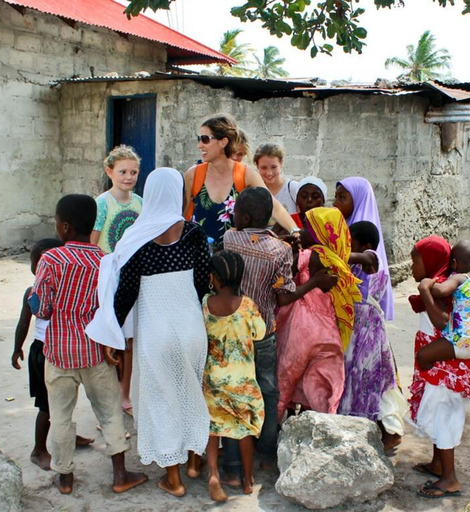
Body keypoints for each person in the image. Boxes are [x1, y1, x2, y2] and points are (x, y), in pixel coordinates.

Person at [86, 168, 211, 498]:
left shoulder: (136, 238)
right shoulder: (194, 234)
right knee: (191, 392)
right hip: (192, 331)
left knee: (162, 401)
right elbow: (202, 284)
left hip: (156, 334)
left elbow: (123, 295)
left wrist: (112, 338)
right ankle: (195, 462)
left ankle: (174, 479)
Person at [31, 194, 146, 495]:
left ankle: (65, 477)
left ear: (65, 227)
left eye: (56, 222)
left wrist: (35, 302)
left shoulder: (51, 259)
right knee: (109, 412)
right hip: (96, 350)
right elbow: (112, 307)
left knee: (62, 416)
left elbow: (42, 309)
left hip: (58, 352)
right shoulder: (104, 261)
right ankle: (120, 475)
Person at [222, 187, 337, 480]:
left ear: (244, 216)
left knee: (232, 391)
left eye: (236, 212)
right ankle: (264, 454)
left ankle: (232, 462)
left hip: (231, 331)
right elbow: (284, 297)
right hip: (262, 332)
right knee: (268, 391)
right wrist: (313, 283)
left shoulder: (229, 238)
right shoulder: (279, 250)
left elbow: (245, 239)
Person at [407, 236, 470, 499]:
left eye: (414, 260)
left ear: (430, 262)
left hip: (447, 369)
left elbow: (441, 321)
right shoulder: (443, 284)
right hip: (440, 365)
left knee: (444, 416)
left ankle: (450, 479)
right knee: (440, 413)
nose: (411, 266)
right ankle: (438, 463)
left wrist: (426, 291)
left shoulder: (443, 288)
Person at [11, 238, 93, 471]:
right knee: (47, 406)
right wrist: (17, 349)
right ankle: (39, 449)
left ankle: (66, 437)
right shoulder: (33, 292)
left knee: (66, 399)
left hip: (65, 348)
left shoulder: (70, 288)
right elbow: (22, 324)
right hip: (44, 352)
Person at [276, 207, 360, 417]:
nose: (301, 232)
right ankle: (323, 421)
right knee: (321, 381)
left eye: (306, 227)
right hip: (327, 332)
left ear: (318, 234)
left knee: (285, 379)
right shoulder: (338, 261)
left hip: (298, 330)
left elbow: (284, 291)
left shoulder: (305, 256)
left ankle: (271, 432)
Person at [202, 251, 267, 502]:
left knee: (212, 430)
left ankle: (214, 475)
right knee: (244, 431)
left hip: (213, 379)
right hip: (243, 382)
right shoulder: (248, 305)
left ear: (215, 278)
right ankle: (248, 481)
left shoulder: (206, 304)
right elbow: (260, 333)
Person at [184, 114, 298, 251]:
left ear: (223, 142)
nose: (199, 145)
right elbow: (180, 214)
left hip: (234, 264)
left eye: (205, 139)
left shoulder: (245, 175)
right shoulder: (193, 174)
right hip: (196, 260)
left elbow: (274, 206)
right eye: (199, 139)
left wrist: (295, 231)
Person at [338, 221, 406, 451]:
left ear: (365, 245)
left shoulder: (369, 259)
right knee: (367, 379)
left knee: (369, 379)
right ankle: (383, 429)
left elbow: (342, 257)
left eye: (350, 241)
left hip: (366, 330)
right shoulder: (364, 260)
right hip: (363, 328)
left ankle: (389, 431)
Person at [91, 144, 143, 417]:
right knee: (110, 337)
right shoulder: (102, 204)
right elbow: (93, 242)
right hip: (109, 278)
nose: (129, 176)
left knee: (130, 340)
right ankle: (108, 397)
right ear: (109, 171)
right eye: (123, 171)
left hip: (134, 278)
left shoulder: (140, 203)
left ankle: (125, 393)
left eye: (134, 172)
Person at [415, 240, 470, 370]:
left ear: (454, 263)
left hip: (462, 342)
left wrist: (427, 284)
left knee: (422, 356)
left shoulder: (460, 278)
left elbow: (441, 291)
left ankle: (432, 374)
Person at [333, 177, 394, 321]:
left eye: (342, 198)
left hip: (364, 317)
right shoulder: (342, 227)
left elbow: (347, 257)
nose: (335, 203)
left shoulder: (365, 234)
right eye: (335, 197)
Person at [254, 143, 298, 214]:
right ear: (257, 166)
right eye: (264, 168)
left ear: (281, 163)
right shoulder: (254, 192)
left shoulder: (293, 189)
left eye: (274, 167)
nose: (269, 173)